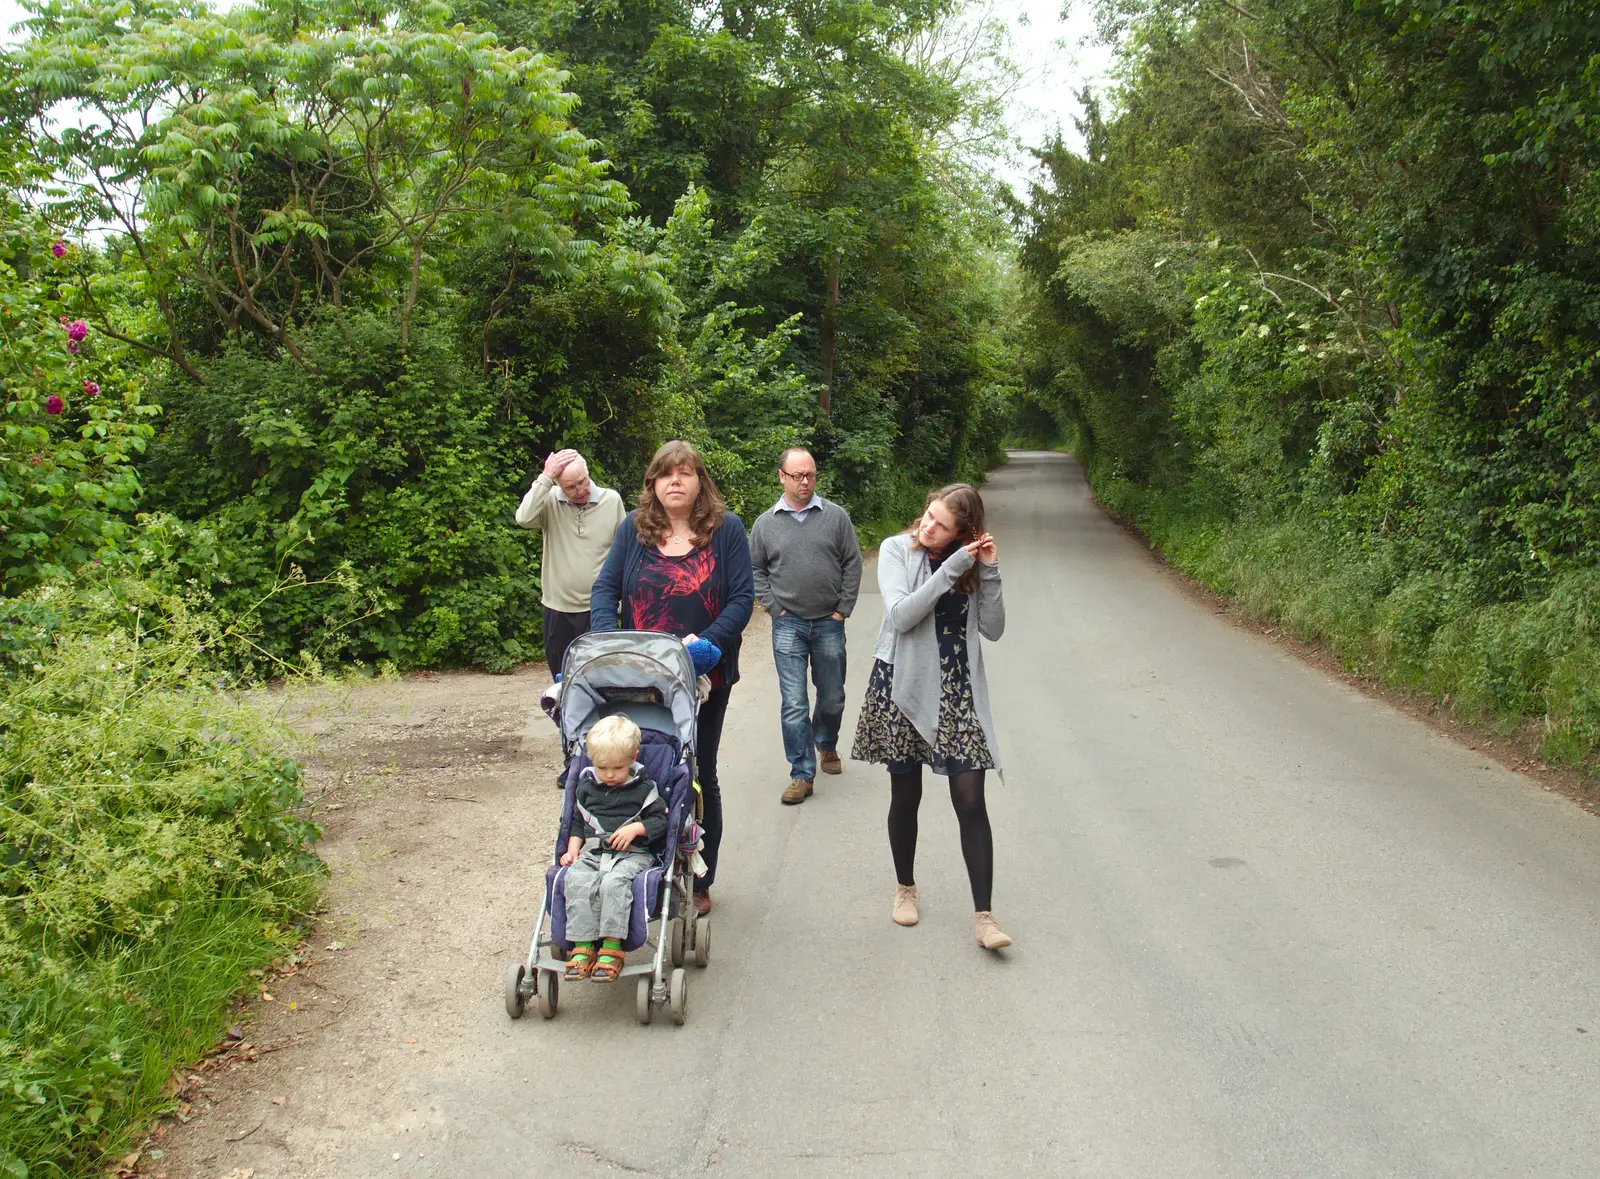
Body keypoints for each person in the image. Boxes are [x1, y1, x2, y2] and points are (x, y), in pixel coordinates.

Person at [589, 441, 754, 916]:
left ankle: (700, 880)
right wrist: (607, 642)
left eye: (685, 473)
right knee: (641, 764)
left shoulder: (726, 531)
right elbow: (605, 589)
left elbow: (742, 598)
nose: (675, 481)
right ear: (653, 484)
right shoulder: (632, 531)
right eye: (665, 474)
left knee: (699, 771)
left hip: (703, 675)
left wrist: (709, 646)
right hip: (637, 676)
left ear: (701, 481)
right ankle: (638, 870)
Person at [850, 483, 1011, 951]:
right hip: (902, 683)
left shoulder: (970, 561)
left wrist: (989, 570)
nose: (927, 526)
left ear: (964, 532)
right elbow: (902, 615)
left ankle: (985, 918)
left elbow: (994, 629)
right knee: (906, 791)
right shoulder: (897, 549)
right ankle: (905, 887)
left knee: (971, 800)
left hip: (958, 689)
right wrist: (953, 568)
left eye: (941, 525)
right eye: (927, 515)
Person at [749, 447, 862, 805]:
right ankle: (801, 773)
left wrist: (842, 609)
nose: (805, 481)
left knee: (832, 696)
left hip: (828, 621)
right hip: (789, 624)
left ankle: (826, 743)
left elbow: (852, 563)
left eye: (810, 474)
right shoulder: (766, 524)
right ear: (781, 476)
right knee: (794, 702)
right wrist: (774, 607)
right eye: (797, 475)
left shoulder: (836, 517)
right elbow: (755, 571)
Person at [558, 715, 667, 983]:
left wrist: (636, 829)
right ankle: (582, 944)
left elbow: (660, 820)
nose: (609, 775)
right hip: (594, 852)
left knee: (613, 884)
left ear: (633, 757)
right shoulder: (587, 788)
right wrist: (573, 851)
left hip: (633, 856)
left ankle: (612, 947)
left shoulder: (644, 789)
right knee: (577, 880)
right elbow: (577, 823)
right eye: (601, 767)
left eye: (617, 768)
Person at [514, 449, 626, 683]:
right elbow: (523, 518)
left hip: (598, 608)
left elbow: (624, 553)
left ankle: (601, 722)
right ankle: (567, 720)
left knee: (600, 679)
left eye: (582, 482)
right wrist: (545, 477)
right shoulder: (549, 502)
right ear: (558, 485)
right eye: (570, 487)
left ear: (588, 473)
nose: (579, 491)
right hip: (558, 609)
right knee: (563, 680)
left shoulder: (611, 500)